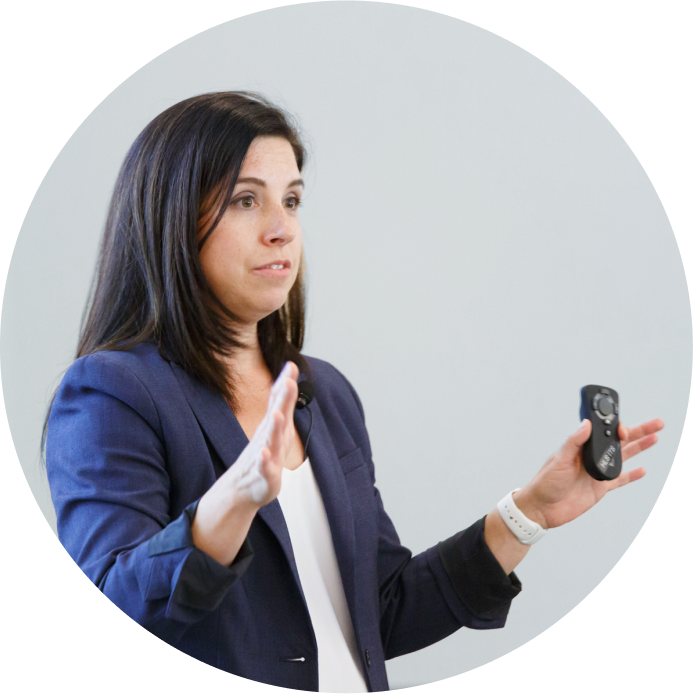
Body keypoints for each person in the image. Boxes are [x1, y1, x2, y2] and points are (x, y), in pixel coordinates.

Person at [44, 91, 664, 692]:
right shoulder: (113, 392)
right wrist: (229, 504)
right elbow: (118, 597)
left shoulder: (325, 392)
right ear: (170, 218)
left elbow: (384, 610)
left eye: (291, 200)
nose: (281, 228)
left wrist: (529, 512)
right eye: (244, 201)